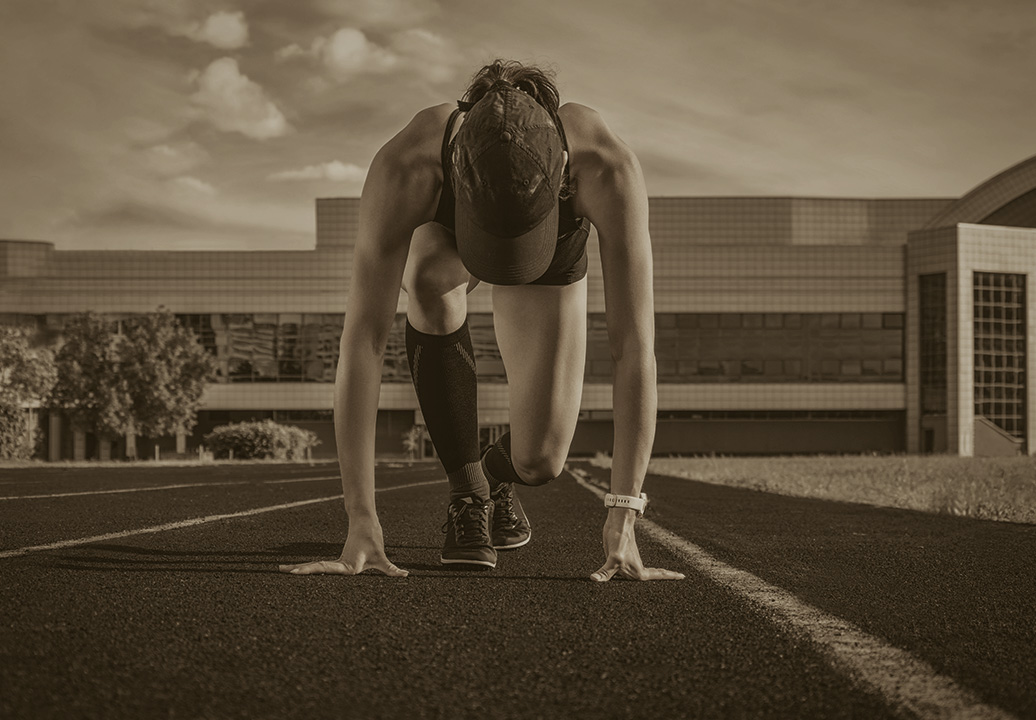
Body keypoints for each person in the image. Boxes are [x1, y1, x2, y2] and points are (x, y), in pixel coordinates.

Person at [279, 59, 684, 583]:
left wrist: (624, 517)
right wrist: (361, 521)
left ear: (564, 172)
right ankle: (468, 492)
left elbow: (634, 350)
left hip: (555, 254)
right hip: (446, 243)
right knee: (427, 276)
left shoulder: (606, 166)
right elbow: (363, 341)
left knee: (541, 462)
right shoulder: (408, 164)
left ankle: (495, 476)